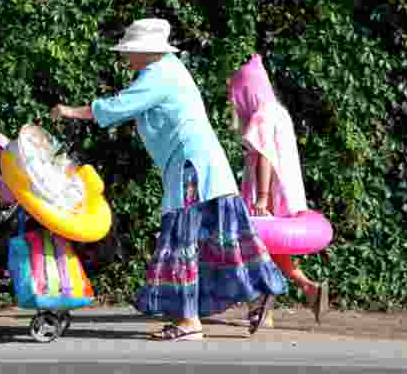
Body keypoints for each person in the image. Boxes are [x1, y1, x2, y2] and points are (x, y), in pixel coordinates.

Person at [51, 18, 287, 341]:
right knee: (223, 232)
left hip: (190, 167)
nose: (126, 58)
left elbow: (121, 106)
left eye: (130, 52)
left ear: (148, 52)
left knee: (182, 237)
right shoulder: (171, 69)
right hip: (207, 164)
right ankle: (258, 292)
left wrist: (71, 111)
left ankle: (189, 321)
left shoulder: (159, 74)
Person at [227, 54, 329, 329]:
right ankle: (310, 288)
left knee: (255, 251)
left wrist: (261, 198)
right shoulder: (279, 112)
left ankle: (263, 309)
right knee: (275, 252)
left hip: (266, 195)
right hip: (285, 194)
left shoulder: (261, 116)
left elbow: (264, 156)